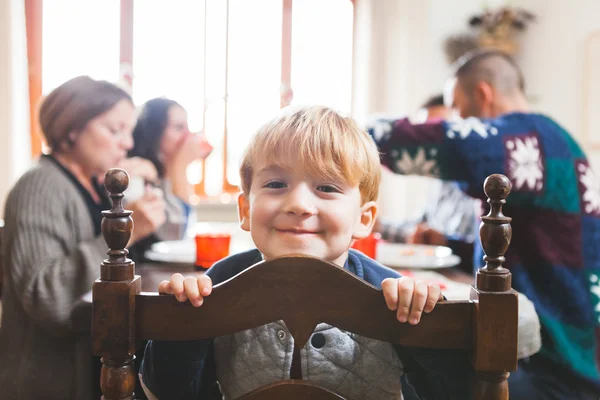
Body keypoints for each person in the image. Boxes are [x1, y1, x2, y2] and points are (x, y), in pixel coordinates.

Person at [139, 105, 477, 400]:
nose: (299, 204)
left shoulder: (392, 293)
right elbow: (168, 392)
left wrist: (428, 322)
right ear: (245, 209)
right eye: (275, 184)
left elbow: (454, 393)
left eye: (326, 188)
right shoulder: (219, 284)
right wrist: (179, 324)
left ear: (363, 219)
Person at [367, 49, 600, 399]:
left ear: (483, 95)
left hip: (553, 368)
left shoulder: (527, 142)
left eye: (458, 109)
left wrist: (343, 133)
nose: (457, 120)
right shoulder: (557, 140)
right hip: (572, 354)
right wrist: (453, 242)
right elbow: (536, 241)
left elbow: (449, 146)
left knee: (411, 382)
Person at [0, 76, 167, 399]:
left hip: (95, 368)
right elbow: (44, 296)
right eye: (114, 129)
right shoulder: (40, 186)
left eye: (128, 131)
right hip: (49, 380)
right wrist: (123, 234)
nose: (127, 143)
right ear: (72, 128)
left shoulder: (94, 187)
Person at [375, 94, 480, 273]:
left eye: (437, 129)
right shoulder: (438, 182)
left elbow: (484, 250)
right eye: (423, 132)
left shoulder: (480, 183)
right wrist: (377, 225)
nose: (428, 143)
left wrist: (446, 242)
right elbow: (418, 226)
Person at [126, 98, 213, 245]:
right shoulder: (138, 170)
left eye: (188, 128)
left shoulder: (163, 172)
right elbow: (175, 232)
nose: (188, 137)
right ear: (155, 132)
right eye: (179, 128)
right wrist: (179, 166)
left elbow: (187, 224)